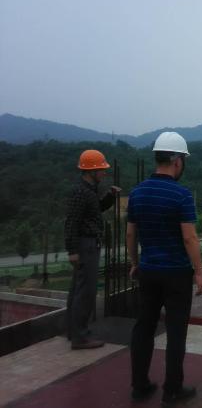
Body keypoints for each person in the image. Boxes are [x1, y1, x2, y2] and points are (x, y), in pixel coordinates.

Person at [127, 132, 202, 405]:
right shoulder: (181, 195)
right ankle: (172, 390)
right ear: (177, 160)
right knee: (175, 332)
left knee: (144, 327)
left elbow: (131, 234)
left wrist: (135, 263)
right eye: (183, 160)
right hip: (176, 274)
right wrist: (199, 272)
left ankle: (139, 386)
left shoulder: (137, 192)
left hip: (148, 271)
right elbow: (189, 238)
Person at [65, 149, 120, 349]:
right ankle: (80, 336)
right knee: (85, 292)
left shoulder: (89, 190)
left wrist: (110, 196)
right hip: (85, 244)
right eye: (101, 169)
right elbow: (72, 222)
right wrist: (72, 250)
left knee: (79, 290)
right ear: (92, 170)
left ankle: (74, 332)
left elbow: (96, 210)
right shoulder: (80, 192)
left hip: (88, 244)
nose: (104, 173)